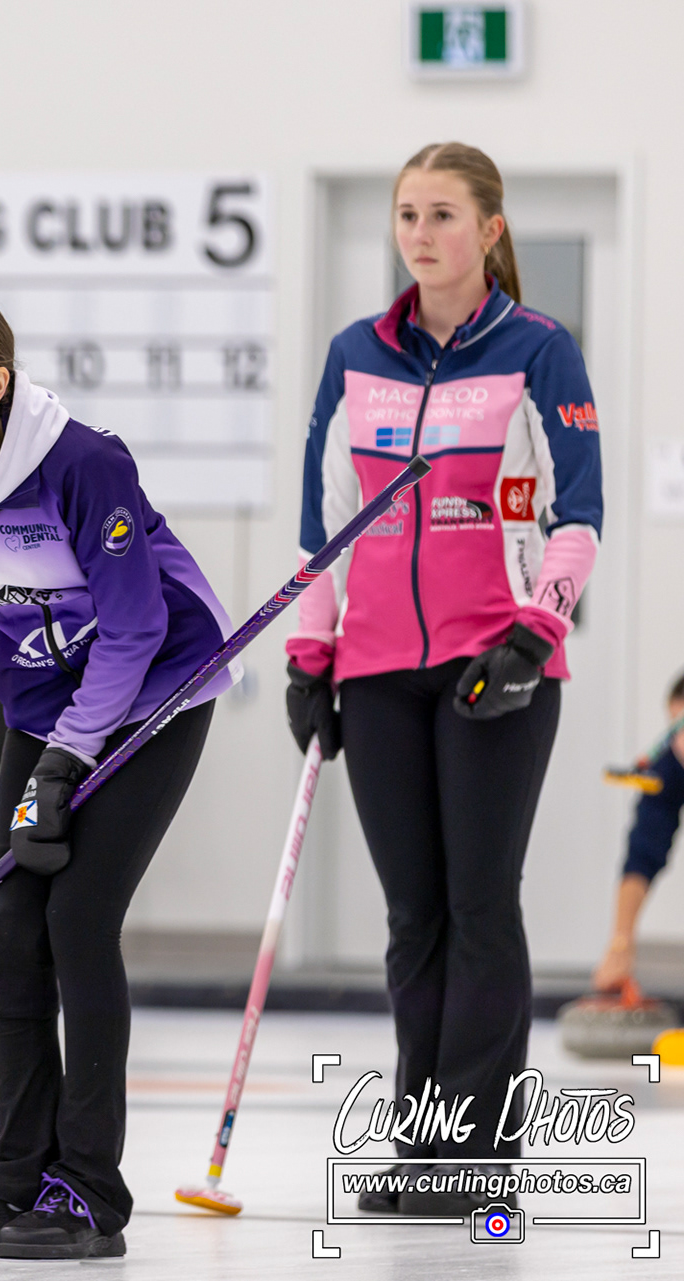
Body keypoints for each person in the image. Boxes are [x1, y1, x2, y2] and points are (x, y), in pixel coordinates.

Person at [0, 291, 233, 1262]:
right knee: (6, 928)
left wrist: (68, 756)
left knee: (77, 919)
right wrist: (27, 703)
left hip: (157, 691)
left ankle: (87, 1191)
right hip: (48, 705)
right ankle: (14, 1178)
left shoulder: (82, 464)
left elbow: (137, 626)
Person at [287, 143, 604, 1216]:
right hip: (377, 668)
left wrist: (535, 633)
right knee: (412, 915)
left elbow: (579, 516)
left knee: (479, 905)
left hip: (494, 668)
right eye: (407, 215)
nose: (420, 235)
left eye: (443, 215)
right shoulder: (354, 355)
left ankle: (475, 1155)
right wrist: (310, 655)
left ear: (490, 230)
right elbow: (325, 524)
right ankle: (420, 1145)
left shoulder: (538, 351)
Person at [589, 674, 684, 995]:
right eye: (674, 728)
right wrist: (621, 942)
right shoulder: (669, 767)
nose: (681, 742)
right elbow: (644, 852)